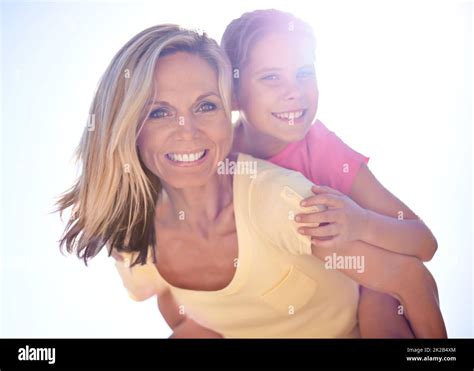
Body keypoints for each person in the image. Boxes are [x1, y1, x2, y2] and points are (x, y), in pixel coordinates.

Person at [56, 24, 444, 338]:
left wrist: (360, 222)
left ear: (226, 107)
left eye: (206, 106)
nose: (187, 130)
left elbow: (418, 254)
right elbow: (167, 298)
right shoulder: (135, 232)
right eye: (159, 112)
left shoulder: (291, 184)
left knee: (378, 304)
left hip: (357, 294)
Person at [221, 9, 446, 338]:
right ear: (233, 94)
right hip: (288, 303)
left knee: (381, 314)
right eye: (271, 77)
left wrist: (360, 222)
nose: (294, 91)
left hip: (363, 285)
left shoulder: (323, 151)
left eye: (304, 73)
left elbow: (424, 242)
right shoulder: (219, 154)